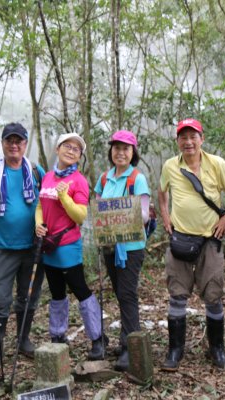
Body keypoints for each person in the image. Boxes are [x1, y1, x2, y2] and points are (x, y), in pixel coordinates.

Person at [158, 118, 225, 371]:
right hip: (180, 238)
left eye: (192, 136)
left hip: (210, 239)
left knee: (214, 295)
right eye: (183, 137)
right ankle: (175, 351)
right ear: (177, 141)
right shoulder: (170, 166)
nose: (188, 142)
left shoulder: (216, 164)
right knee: (177, 295)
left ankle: (216, 349)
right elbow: (162, 193)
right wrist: (165, 215)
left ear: (201, 139)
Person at [0, 123, 46, 371]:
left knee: (28, 296)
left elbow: (47, 200)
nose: (14, 145)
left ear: (25, 144)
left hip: (33, 246)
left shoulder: (36, 171)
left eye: (19, 141)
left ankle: (23, 339)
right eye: (9, 141)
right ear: (3, 143)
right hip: (3, 246)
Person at [35, 132, 106, 360]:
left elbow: (80, 216)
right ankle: (57, 336)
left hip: (67, 245)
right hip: (49, 245)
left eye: (76, 149)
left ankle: (98, 338)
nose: (71, 150)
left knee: (80, 290)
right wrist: (39, 224)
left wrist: (65, 198)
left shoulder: (79, 181)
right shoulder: (47, 177)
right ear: (58, 149)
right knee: (56, 293)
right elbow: (40, 205)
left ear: (79, 157)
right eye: (67, 146)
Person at [93, 130, 150, 371]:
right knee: (120, 293)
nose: (120, 152)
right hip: (109, 246)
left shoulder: (137, 178)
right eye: (116, 148)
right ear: (111, 151)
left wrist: (117, 219)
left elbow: (145, 215)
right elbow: (96, 208)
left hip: (131, 247)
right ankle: (126, 338)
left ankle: (130, 347)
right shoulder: (105, 178)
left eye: (126, 148)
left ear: (133, 152)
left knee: (127, 294)